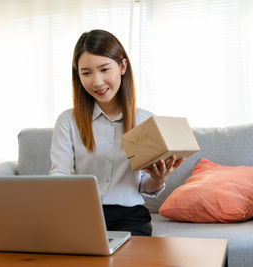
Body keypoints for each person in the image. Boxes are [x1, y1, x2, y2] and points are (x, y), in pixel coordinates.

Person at [49, 29, 185, 236]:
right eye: (86, 73)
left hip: (130, 217)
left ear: (122, 66)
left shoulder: (144, 121)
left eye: (104, 69)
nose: (97, 82)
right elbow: (60, 174)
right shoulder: (68, 120)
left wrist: (159, 180)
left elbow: (142, 186)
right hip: (81, 215)